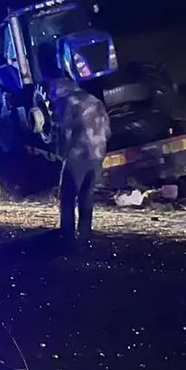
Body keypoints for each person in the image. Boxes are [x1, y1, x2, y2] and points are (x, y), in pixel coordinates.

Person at [51, 76, 111, 246]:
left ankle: (67, 237)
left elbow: (66, 133)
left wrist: (61, 154)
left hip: (78, 156)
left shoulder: (69, 103)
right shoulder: (94, 100)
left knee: (67, 198)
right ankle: (85, 236)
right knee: (86, 197)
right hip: (97, 155)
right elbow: (107, 130)